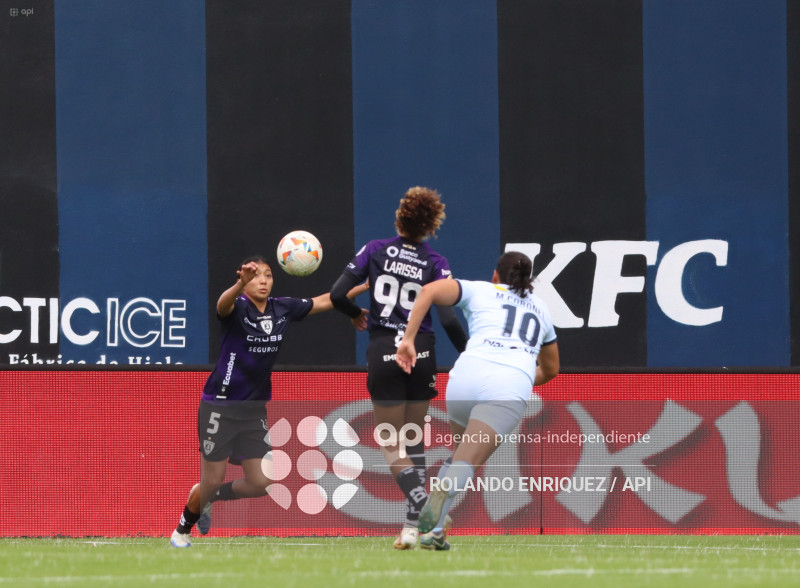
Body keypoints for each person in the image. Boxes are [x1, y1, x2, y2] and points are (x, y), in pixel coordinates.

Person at [170, 256, 368, 548]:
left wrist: (365, 285)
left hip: (253, 410)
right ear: (244, 281)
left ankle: (209, 497)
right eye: (255, 276)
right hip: (220, 407)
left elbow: (326, 300)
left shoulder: (283, 308)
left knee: (261, 482)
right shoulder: (237, 307)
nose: (262, 281)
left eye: (268, 275)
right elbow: (221, 305)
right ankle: (181, 530)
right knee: (211, 479)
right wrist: (238, 284)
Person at [330, 186, 468, 550]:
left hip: (384, 350)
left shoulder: (375, 249)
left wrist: (354, 312)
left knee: (392, 441)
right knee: (414, 438)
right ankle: (411, 529)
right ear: (431, 224)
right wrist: (468, 353)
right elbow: (449, 319)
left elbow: (337, 294)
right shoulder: (436, 261)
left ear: (400, 216)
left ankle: (421, 507)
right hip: (422, 350)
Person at [396, 251, 559, 550]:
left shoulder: (480, 289)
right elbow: (550, 369)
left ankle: (433, 533)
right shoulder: (542, 310)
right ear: (528, 280)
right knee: (466, 462)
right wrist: (520, 375)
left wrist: (408, 340)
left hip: (464, 379)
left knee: (459, 454)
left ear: (495, 275)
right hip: (506, 387)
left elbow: (429, 290)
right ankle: (443, 492)